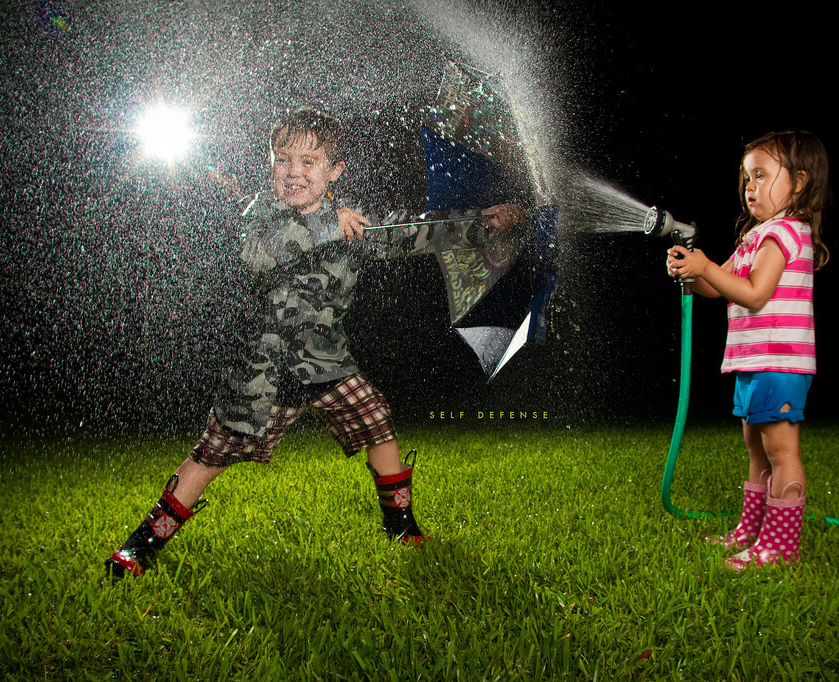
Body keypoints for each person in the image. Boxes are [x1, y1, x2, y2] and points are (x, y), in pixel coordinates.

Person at [104, 107, 526, 579]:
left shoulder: (349, 224)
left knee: (378, 426)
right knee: (213, 453)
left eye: (309, 162)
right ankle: (139, 547)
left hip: (328, 363)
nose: (294, 172)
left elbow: (412, 232)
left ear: (333, 171)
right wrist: (328, 224)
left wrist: (482, 223)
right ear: (270, 164)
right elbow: (257, 255)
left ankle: (402, 528)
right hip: (264, 372)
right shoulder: (260, 214)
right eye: (283, 160)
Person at [667, 130, 830, 569]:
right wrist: (692, 270)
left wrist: (704, 269)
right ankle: (751, 530)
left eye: (760, 175)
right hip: (753, 360)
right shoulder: (755, 236)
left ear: (797, 182)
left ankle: (779, 548)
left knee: (781, 452)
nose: (749, 186)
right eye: (745, 178)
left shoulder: (784, 234)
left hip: (780, 361)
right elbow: (717, 288)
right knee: (756, 449)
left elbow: (755, 294)